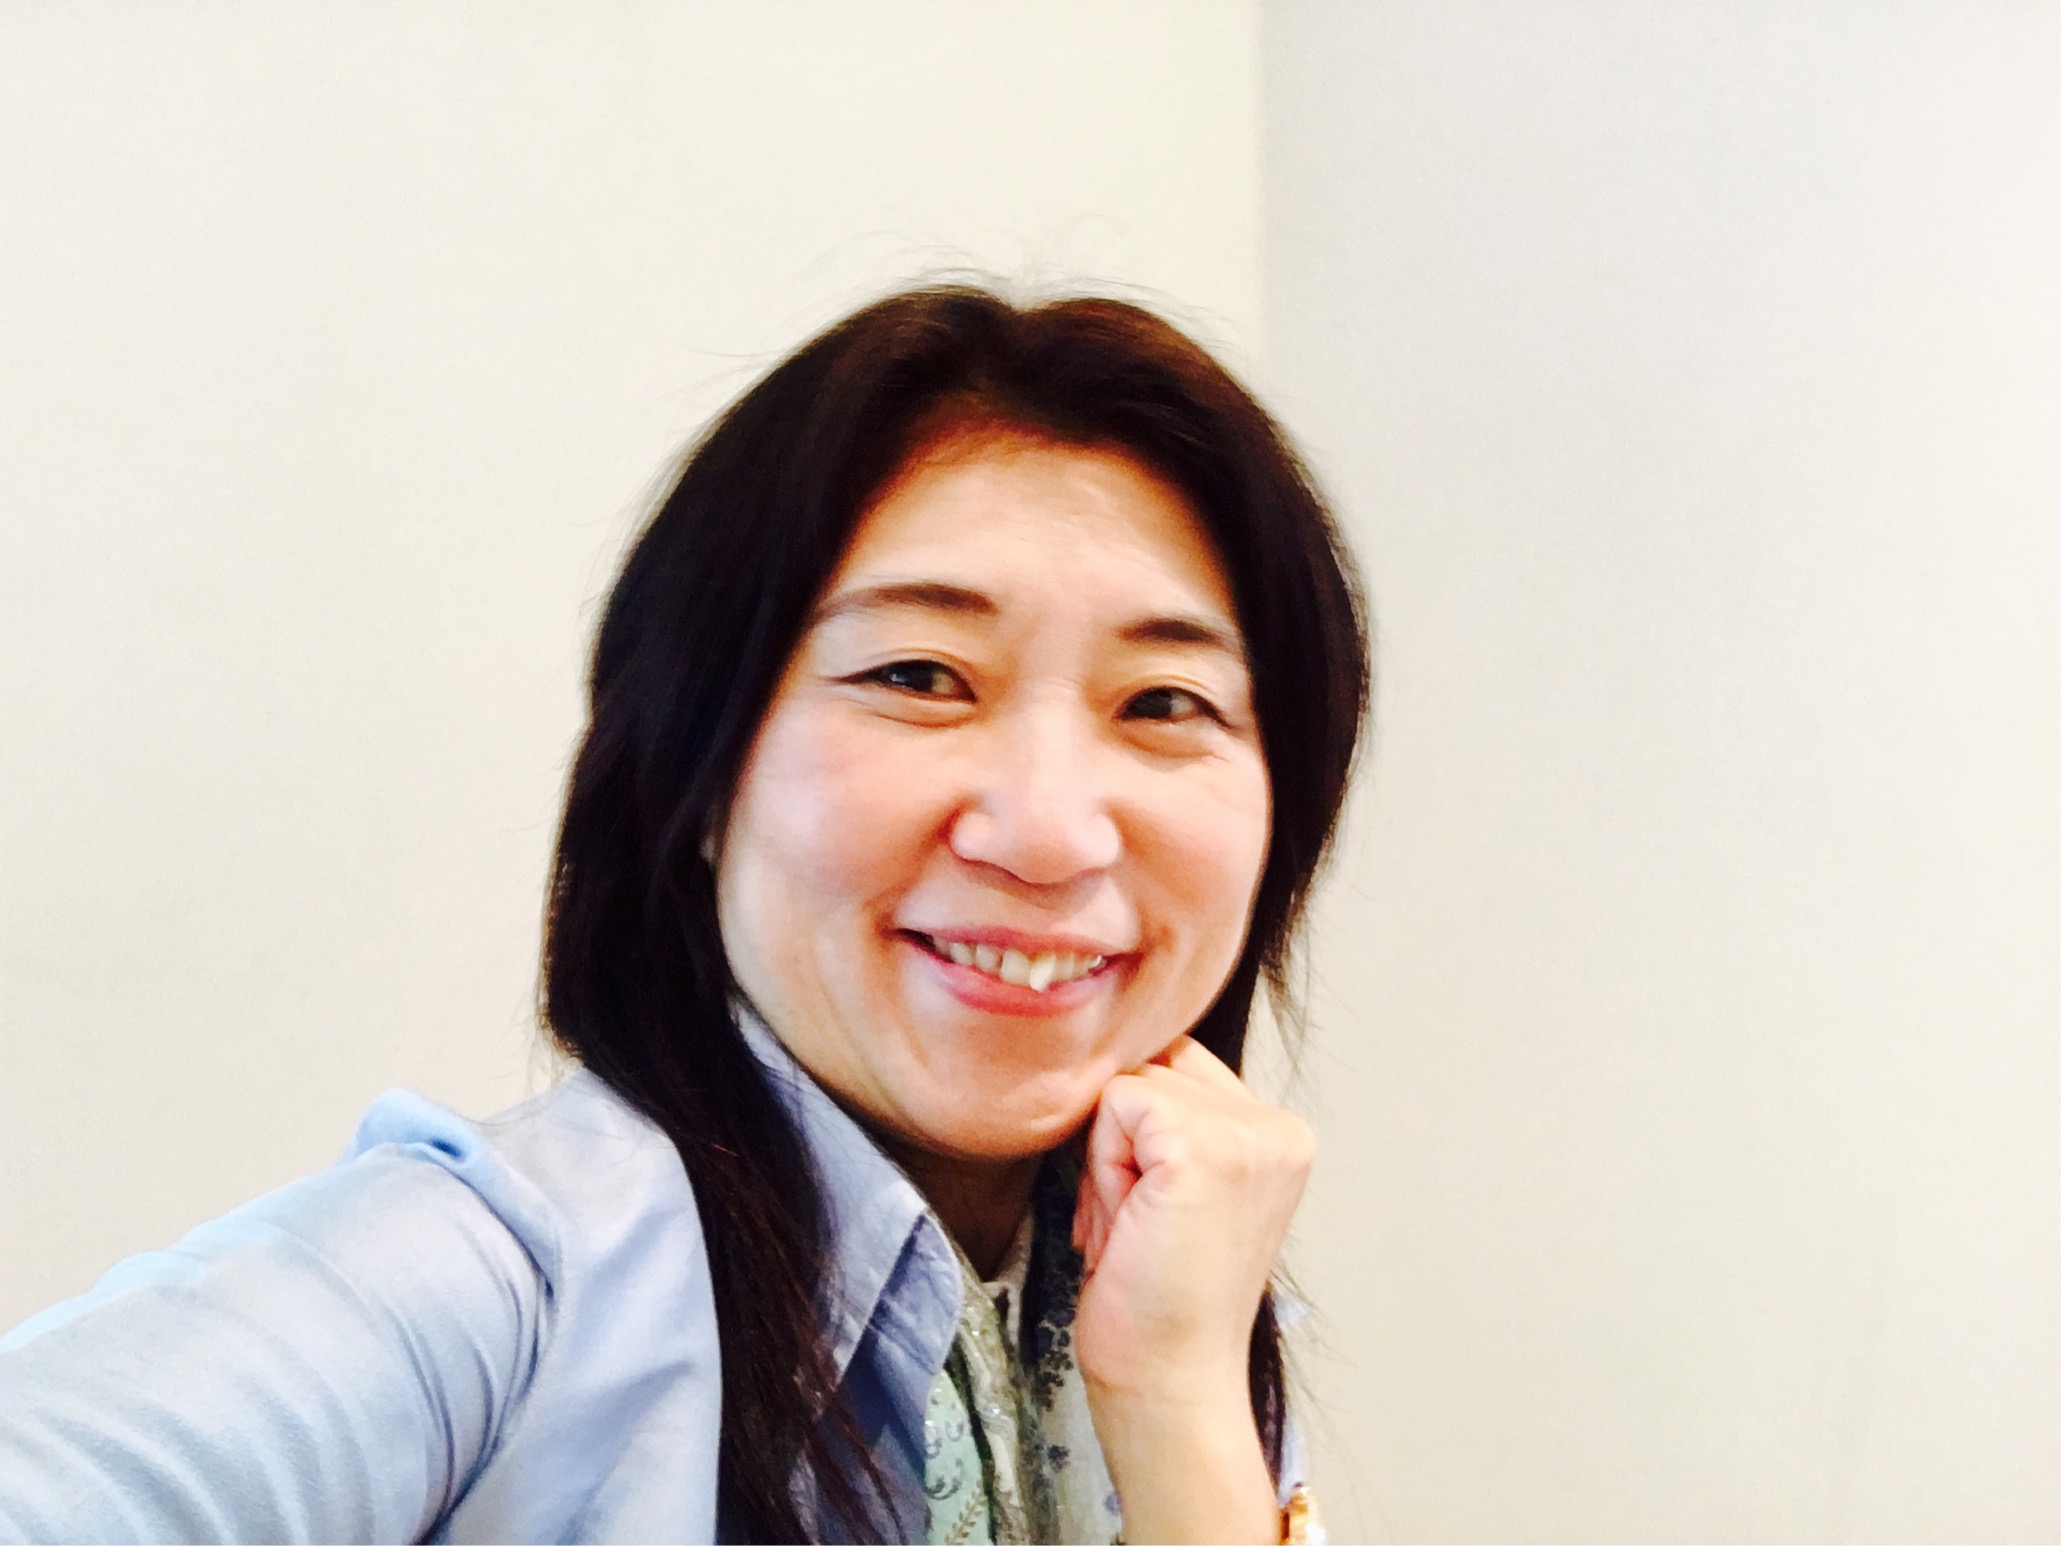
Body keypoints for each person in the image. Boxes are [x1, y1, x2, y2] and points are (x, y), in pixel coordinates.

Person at [0, 285, 1369, 1543]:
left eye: (1164, 702)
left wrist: (1181, 1403)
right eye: (918, 674)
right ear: (699, 765)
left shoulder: (1169, 1272)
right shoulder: (495, 1282)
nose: (1052, 831)